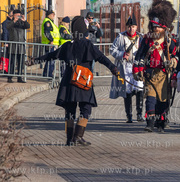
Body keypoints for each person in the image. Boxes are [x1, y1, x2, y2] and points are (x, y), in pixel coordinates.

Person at [35, 16, 119, 146]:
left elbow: (51, 56)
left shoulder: (67, 46)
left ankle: (70, 139)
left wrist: (34, 60)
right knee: (86, 109)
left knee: (70, 110)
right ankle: (78, 136)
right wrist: (113, 68)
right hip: (83, 81)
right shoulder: (88, 45)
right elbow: (102, 58)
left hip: (69, 81)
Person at [133, 0, 178, 133]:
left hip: (163, 75)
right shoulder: (146, 39)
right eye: (153, 26)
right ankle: (150, 124)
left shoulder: (169, 40)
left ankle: (161, 123)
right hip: (149, 74)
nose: (155, 29)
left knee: (162, 101)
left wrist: (174, 62)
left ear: (163, 27)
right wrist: (137, 69)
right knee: (150, 99)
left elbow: (176, 56)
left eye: (157, 27)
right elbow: (139, 55)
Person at [110, 16, 144, 123]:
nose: (131, 29)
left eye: (133, 27)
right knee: (127, 91)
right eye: (129, 27)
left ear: (136, 27)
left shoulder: (141, 38)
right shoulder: (120, 37)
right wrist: (122, 54)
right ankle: (129, 115)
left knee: (139, 89)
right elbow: (112, 50)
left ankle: (139, 114)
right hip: (125, 67)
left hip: (137, 67)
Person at [7, 10, 30, 83]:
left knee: (20, 63)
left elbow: (27, 26)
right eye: (16, 15)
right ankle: (10, 77)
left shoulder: (22, 23)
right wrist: (14, 20)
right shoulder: (10, 22)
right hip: (13, 46)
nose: (18, 17)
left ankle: (19, 77)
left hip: (21, 46)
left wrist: (24, 20)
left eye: (19, 15)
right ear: (13, 15)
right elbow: (8, 27)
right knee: (12, 62)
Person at [41, 10, 60, 77]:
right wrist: (51, 40)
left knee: (49, 59)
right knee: (51, 59)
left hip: (50, 43)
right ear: (50, 14)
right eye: (53, 15)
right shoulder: (47, 22)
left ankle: (46, 73)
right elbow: (47, 32)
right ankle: (49, 74)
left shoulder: (49, 22)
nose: (54, 16)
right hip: (49, 43)